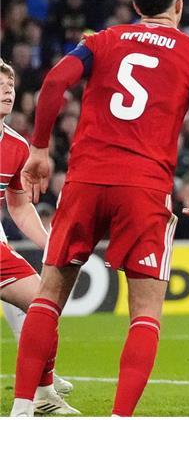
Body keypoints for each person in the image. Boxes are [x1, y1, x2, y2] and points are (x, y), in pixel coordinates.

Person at [10, 0, 189, 417]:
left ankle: (21, 412)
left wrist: (40, 149)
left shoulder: (102, 41)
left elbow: (54, 82)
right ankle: (119, 424)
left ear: (135, 5)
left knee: (49, 294)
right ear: (179, 4)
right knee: (145, 309)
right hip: (144, 187)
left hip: (86, 179)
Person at [1, 60, 77, 415]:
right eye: (0, 86)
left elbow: (18, 204)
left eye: (10, 87)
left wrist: (50, 244)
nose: (7, 92)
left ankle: (44, 391)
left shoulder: (17, 147)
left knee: (42, 302)